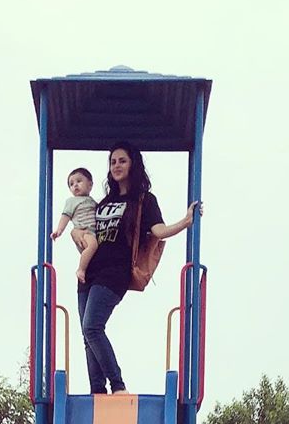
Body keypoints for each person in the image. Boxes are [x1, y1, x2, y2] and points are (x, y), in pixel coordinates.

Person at [77, 142, 202, 396]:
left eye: (122, 160)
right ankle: (97, 391)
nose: (116, 166)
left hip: (115, 273)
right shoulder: (102, 203)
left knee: (92, 327)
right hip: (89, 272)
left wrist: (186, 221)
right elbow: (87, 232)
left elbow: (159, 231)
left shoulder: (143, 200)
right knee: (87, 335)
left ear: (133, 163)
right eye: (112, 162)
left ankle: (118, 385)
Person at [51, 167, 98, 284]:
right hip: (84, 231)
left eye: (79, 181)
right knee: (93, 246)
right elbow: (65, 216)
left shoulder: (93, 202)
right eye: (71, 184)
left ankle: (88, 268)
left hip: (93, 232)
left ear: (90, 185)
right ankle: (81, 270)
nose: (75, 185)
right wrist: (59, 230)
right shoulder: (72, 201)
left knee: (94, 249)